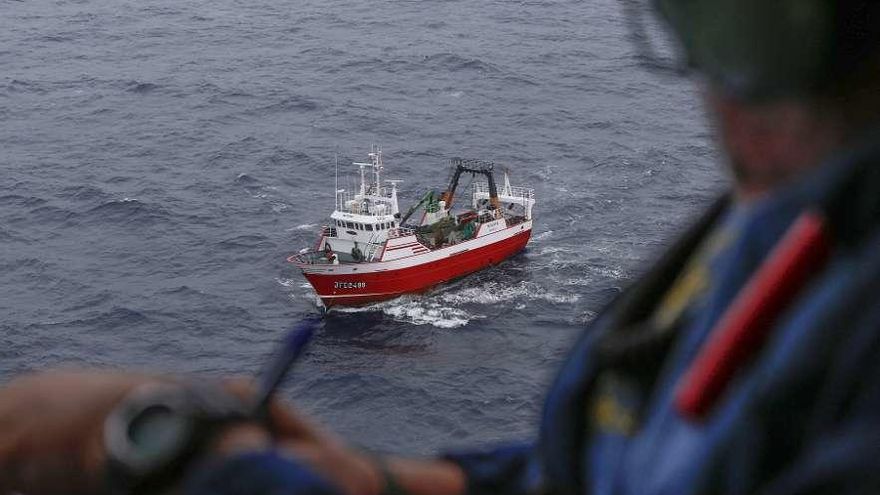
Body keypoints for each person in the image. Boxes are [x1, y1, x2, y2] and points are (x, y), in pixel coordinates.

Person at [4, 0, 880, 493]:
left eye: (758, 39)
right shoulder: (759, 251)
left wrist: (162, 460)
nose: (717, 102)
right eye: (693, 25)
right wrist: (372, 479)